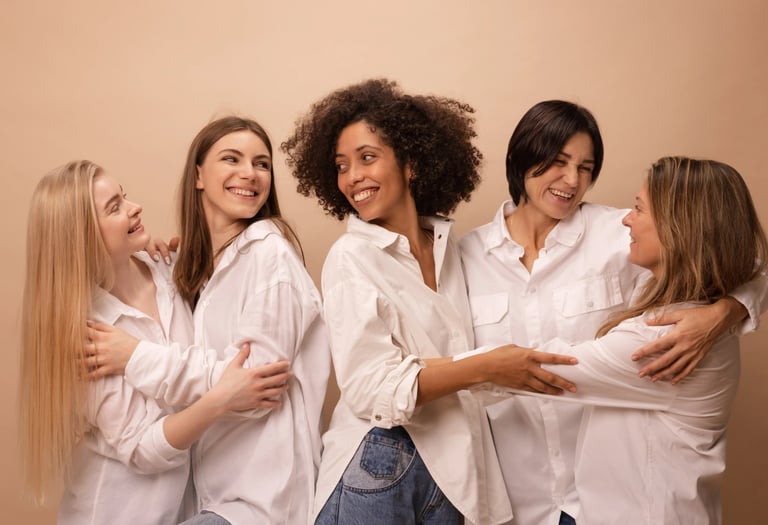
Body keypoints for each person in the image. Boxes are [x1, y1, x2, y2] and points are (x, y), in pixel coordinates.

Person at [281, 79, 579, 525]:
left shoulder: (450, 247)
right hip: (377, 463)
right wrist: (484, 367)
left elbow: (451, 357)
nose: (352, 177)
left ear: (411, 163)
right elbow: (369, 387)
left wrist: (724, 305)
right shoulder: (352, 257)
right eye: (341, 165)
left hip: (455, 472)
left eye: (367, 157)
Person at [460, 101, 768, 524]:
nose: (572, 181)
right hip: (517, 500)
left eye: (586, 168)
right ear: (521, 158)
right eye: (558, 162)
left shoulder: (621, 231)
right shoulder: (463, 258)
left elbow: (733, 248)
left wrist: (727, 311)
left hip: (605, 500)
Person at [87, 117, 331, 524]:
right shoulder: (198, 272)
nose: (249, 174)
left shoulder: (269, 257)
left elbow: (255, 388)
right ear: (198, 174)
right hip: (212, 500)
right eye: (231, 159)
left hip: (260, 503)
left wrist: (135, 357)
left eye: (262, 164)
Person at [19, 160, 289, 524]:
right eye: (115, 207)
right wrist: (221, 399)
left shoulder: (166, 270)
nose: (135, 208)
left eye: (124, 197)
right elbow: (144, 449)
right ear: (81, 237)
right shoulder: (86, 336)